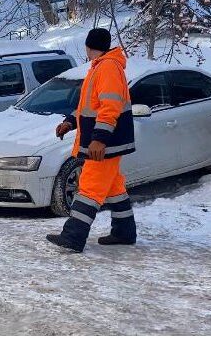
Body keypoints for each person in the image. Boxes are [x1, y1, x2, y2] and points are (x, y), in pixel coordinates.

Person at [47, 28, 137, 253]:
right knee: (114, 187)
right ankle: (124, 232)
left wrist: (99, 139)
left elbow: (110, 107)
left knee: (89, 188)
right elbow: (89, 107)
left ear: (88, 47)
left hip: (105, 144)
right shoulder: (101, 67)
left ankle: (73, 237)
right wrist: (70, 122)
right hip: (107, 143)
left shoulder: (107, 68)